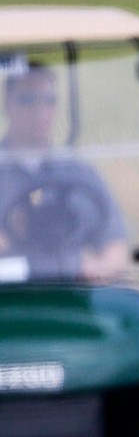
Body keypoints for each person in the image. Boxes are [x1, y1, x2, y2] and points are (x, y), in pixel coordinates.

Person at [0, 61, 130, 283]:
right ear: (7, 105)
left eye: (48, 101)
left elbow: (115, 243)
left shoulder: (79, 173)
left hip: (72, 295)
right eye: (28, 101)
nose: (40, 111)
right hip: (10, 298)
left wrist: (103, 266)